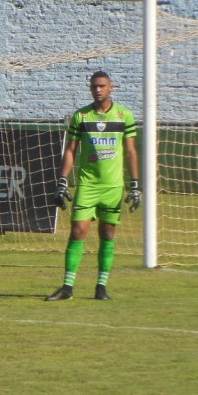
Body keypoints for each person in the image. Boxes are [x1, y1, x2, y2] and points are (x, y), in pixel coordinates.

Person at [46, 71, 139, 301]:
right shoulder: (81, 116)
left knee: (108, 233)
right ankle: (67, 287)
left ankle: (101, 287)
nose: (98, 90)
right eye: (94, 86)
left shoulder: (124, 116)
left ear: (111, 88)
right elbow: (70, 150)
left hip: (112, 187)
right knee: (78, 231)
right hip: (87, 186)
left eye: (102, 86)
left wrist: (135, 185)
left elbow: (130, 151)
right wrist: (62, 181)